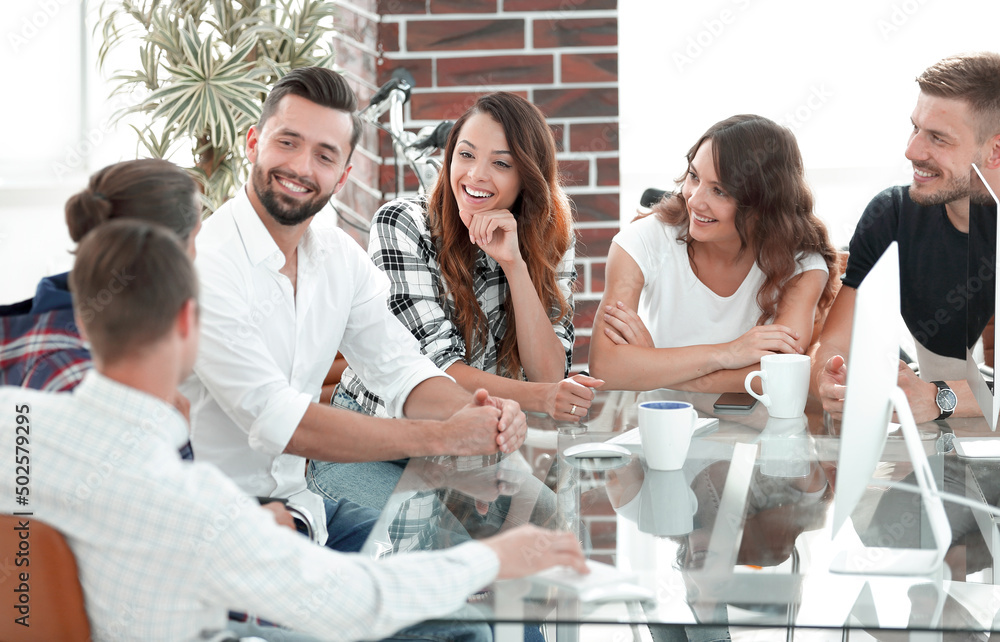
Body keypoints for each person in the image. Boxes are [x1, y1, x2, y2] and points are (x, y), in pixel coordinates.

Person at [0, 220, 588, 642]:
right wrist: (493, 560)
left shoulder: (15, 422)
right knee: (458, 630)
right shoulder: (197, 508)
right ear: (188, 321)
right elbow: (356, 603)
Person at [181, 67, 528, 553]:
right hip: (220, 531)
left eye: (324, 155)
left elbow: (400, 369)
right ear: (253, 142)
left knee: (469, 584)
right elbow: (282, 421)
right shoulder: (206, 266)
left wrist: (487, 415)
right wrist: (441, 437)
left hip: (304, 511)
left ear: (343, 175)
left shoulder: (339, 258)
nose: (302, 167)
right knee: (449, 617)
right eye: (287, 142)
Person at [311, 92, 602, 507]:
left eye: (501, 164)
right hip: (375, 447)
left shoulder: (549, 238)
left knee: (551, 524)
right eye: (465, 155)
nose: (476, 175)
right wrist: (543, 399)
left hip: (472, 449)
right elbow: (438, 372)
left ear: (527, 178)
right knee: (425, 553)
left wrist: (515, 265)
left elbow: (549, 372)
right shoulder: (402, 225)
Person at [588, 114, 837, 392]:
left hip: (761, 432)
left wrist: (654, 365)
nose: (694, 199)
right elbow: (606, 368)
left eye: (719, 191)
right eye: (694, 176)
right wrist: (728, 353)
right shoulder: (644, 240)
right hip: (662, 425)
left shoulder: (801, 265)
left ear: (763, 203)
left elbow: (781, 378)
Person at [815, 52, 1000, 423]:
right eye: (915, 128)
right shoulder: (892, 215)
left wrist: (939, 399)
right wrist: (829, 378)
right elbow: (833, 342)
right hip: (945, 428)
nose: (912, 150)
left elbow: (939, 397)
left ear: (994, 150)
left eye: (938, 138)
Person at [0, 158, 200, 393]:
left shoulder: (61, 324)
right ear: (162, 253)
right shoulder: (78, 381)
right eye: (195, 237)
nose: (196, 254)